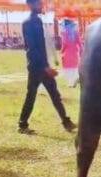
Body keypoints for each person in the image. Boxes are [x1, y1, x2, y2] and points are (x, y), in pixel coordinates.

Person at [18, 0, 76, 134]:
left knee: (55, 95)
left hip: (43, 66)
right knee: (31, 96)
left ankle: (66, 122)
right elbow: (32, 48)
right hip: (36, 67)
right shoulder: (29, 23)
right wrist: (45, 67)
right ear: (31, 5)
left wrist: (48, 64)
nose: (41, 6)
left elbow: (43, 46)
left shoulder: (38, 21)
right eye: (39, 3)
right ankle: (22, 124)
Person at [60, 19, 82, 87]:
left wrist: (61, 51)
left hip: (67, 53)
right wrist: (81, 50)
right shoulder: (76, 33)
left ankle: (71, 83)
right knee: (74, 68)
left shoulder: (64, 33)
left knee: (68, 69)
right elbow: (79, 43)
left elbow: (64, 44)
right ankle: (75, 79)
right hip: (75, 52)